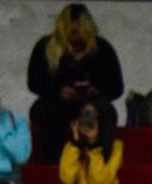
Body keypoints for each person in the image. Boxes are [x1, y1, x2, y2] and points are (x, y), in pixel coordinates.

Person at [28, 3, 124, 163]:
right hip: (56, 102)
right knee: (49, 112)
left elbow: (116, 86)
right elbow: (35, 82)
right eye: (71, 32)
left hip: (92, 102)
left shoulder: (103, 49)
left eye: (80, 32)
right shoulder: (45, 47)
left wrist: (96, 91)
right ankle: (54, 163)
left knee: (105, 112)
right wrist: (59, 91)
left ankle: (101, 163)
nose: (75, 37)